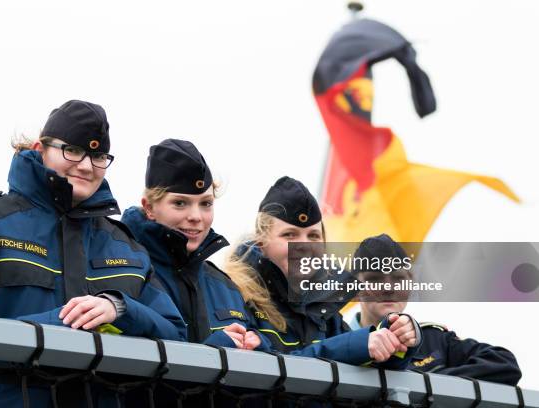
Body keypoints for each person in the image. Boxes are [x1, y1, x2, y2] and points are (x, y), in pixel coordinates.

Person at [0, 100, 186, 407]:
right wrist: (63, 325)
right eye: (73, 150)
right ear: (41, 149)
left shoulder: (125, 245)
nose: (86, 165)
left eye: (98, 155)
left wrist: (120, 308)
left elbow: (176, 337)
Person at [224, 176, 420, 367]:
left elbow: (365, 370)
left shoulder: (325, 307)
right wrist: (358, 345)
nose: (304, 246)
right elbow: (263, 373)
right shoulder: (233, 293)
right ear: (262, 244)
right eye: (290, 235)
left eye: (313, 236)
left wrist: (396, 341)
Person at [121, 139, 269, 350]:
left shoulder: (225, 287)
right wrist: (210, 353)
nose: (196, 216)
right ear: (149, 208)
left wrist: (260, 347)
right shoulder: (125, 269)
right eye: (180, 203)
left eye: (206, 204)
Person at [348, 233, 522, 385]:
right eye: (375, 278)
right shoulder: (333, 338)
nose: (388, 288)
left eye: (398, 278)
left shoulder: (435, 339)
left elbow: (505, 365)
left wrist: (426, 384)